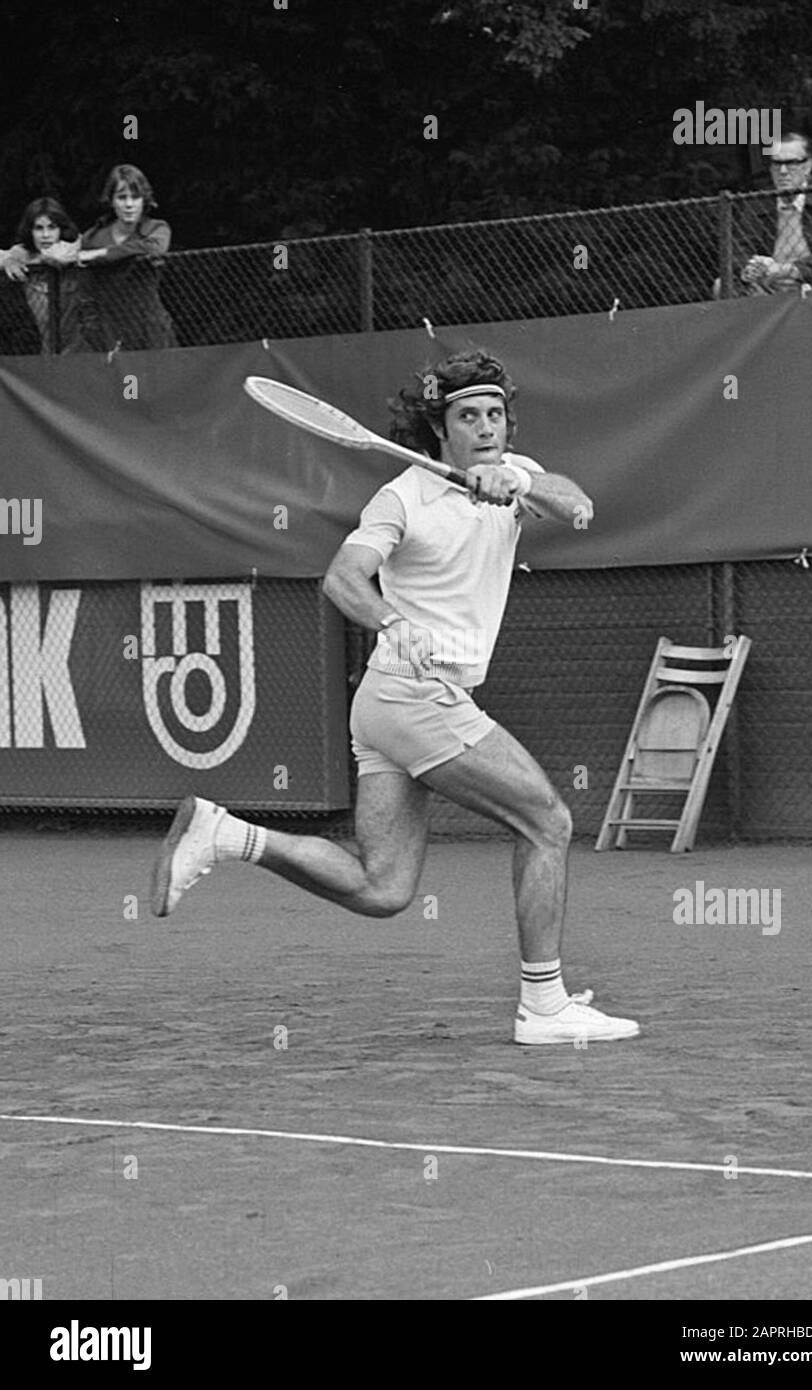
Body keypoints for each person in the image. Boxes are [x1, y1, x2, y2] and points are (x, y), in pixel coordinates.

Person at [151, 349, 640, 1047]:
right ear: (439, 429)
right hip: (413, 693)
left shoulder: (515, 475)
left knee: (382, 888)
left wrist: (515, 481)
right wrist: (393, 621)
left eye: (494, 415)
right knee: (547, 823)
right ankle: (544, 1005)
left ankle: (227, 834)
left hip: (391, 708)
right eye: (467, 416)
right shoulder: (403, 497)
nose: (484, 427)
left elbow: (577, 505)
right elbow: (343, 580)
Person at [725, 132, 812, 296]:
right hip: (769, 281)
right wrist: (752, 267)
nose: (782, 171)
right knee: (723, 285)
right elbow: (739, 249)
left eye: (791, 163)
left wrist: (794, 269)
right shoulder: (758, 200)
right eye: (777, 163)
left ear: (808, 166)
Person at [77, 163, 177, 349]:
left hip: (151, 330)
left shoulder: (156, 228)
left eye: (135, 197)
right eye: (122, 198)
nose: (129, 204)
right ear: (111, 200)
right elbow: (85, 292)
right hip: (108, 332)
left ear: (144, 200)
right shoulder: (94, 237)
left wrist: (103, 254)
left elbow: (156, 248)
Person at [0, 197, 97, 353]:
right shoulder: (24, 254)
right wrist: (8, 260)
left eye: (52, 227)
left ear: (61, 229)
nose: (46, 235)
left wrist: (67, 257)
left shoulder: (76, 248)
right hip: (40, 351)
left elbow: (92, 247)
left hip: (77, 349)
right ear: (30, 231)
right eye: (39, 228)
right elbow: (5, 254)